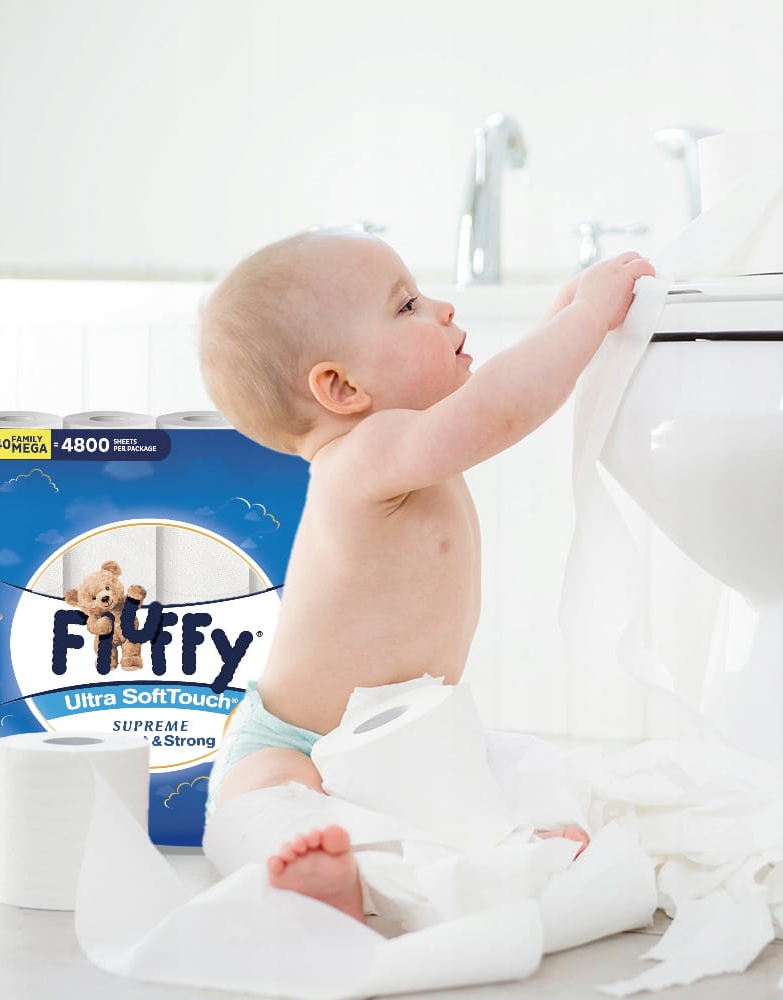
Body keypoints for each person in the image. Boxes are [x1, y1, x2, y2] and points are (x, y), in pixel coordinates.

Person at [199, 229, 655, 922]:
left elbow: (506, 388)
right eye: (407, 305)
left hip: (411, 742)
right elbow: (501, 407)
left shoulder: (406, 443)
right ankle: (311, 867)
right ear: (342, 388)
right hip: (299, 746)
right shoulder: (364, 456)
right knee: (261, 804)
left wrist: (565, 315)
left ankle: (486, 844)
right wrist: (587, 317)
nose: (442, 308)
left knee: (522, 764)